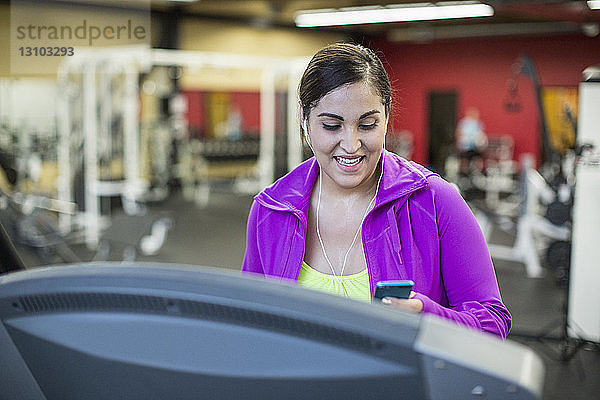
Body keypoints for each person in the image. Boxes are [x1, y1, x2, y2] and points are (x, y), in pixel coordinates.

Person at [242, 43, 511, 339]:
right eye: (332, 126)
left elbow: (492, 322)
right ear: (305, 123)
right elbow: (249, 323)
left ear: (386, 118)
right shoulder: (271, 210)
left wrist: (424, 315)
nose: (351, 144)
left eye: (368, 124)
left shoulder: (434, 200)